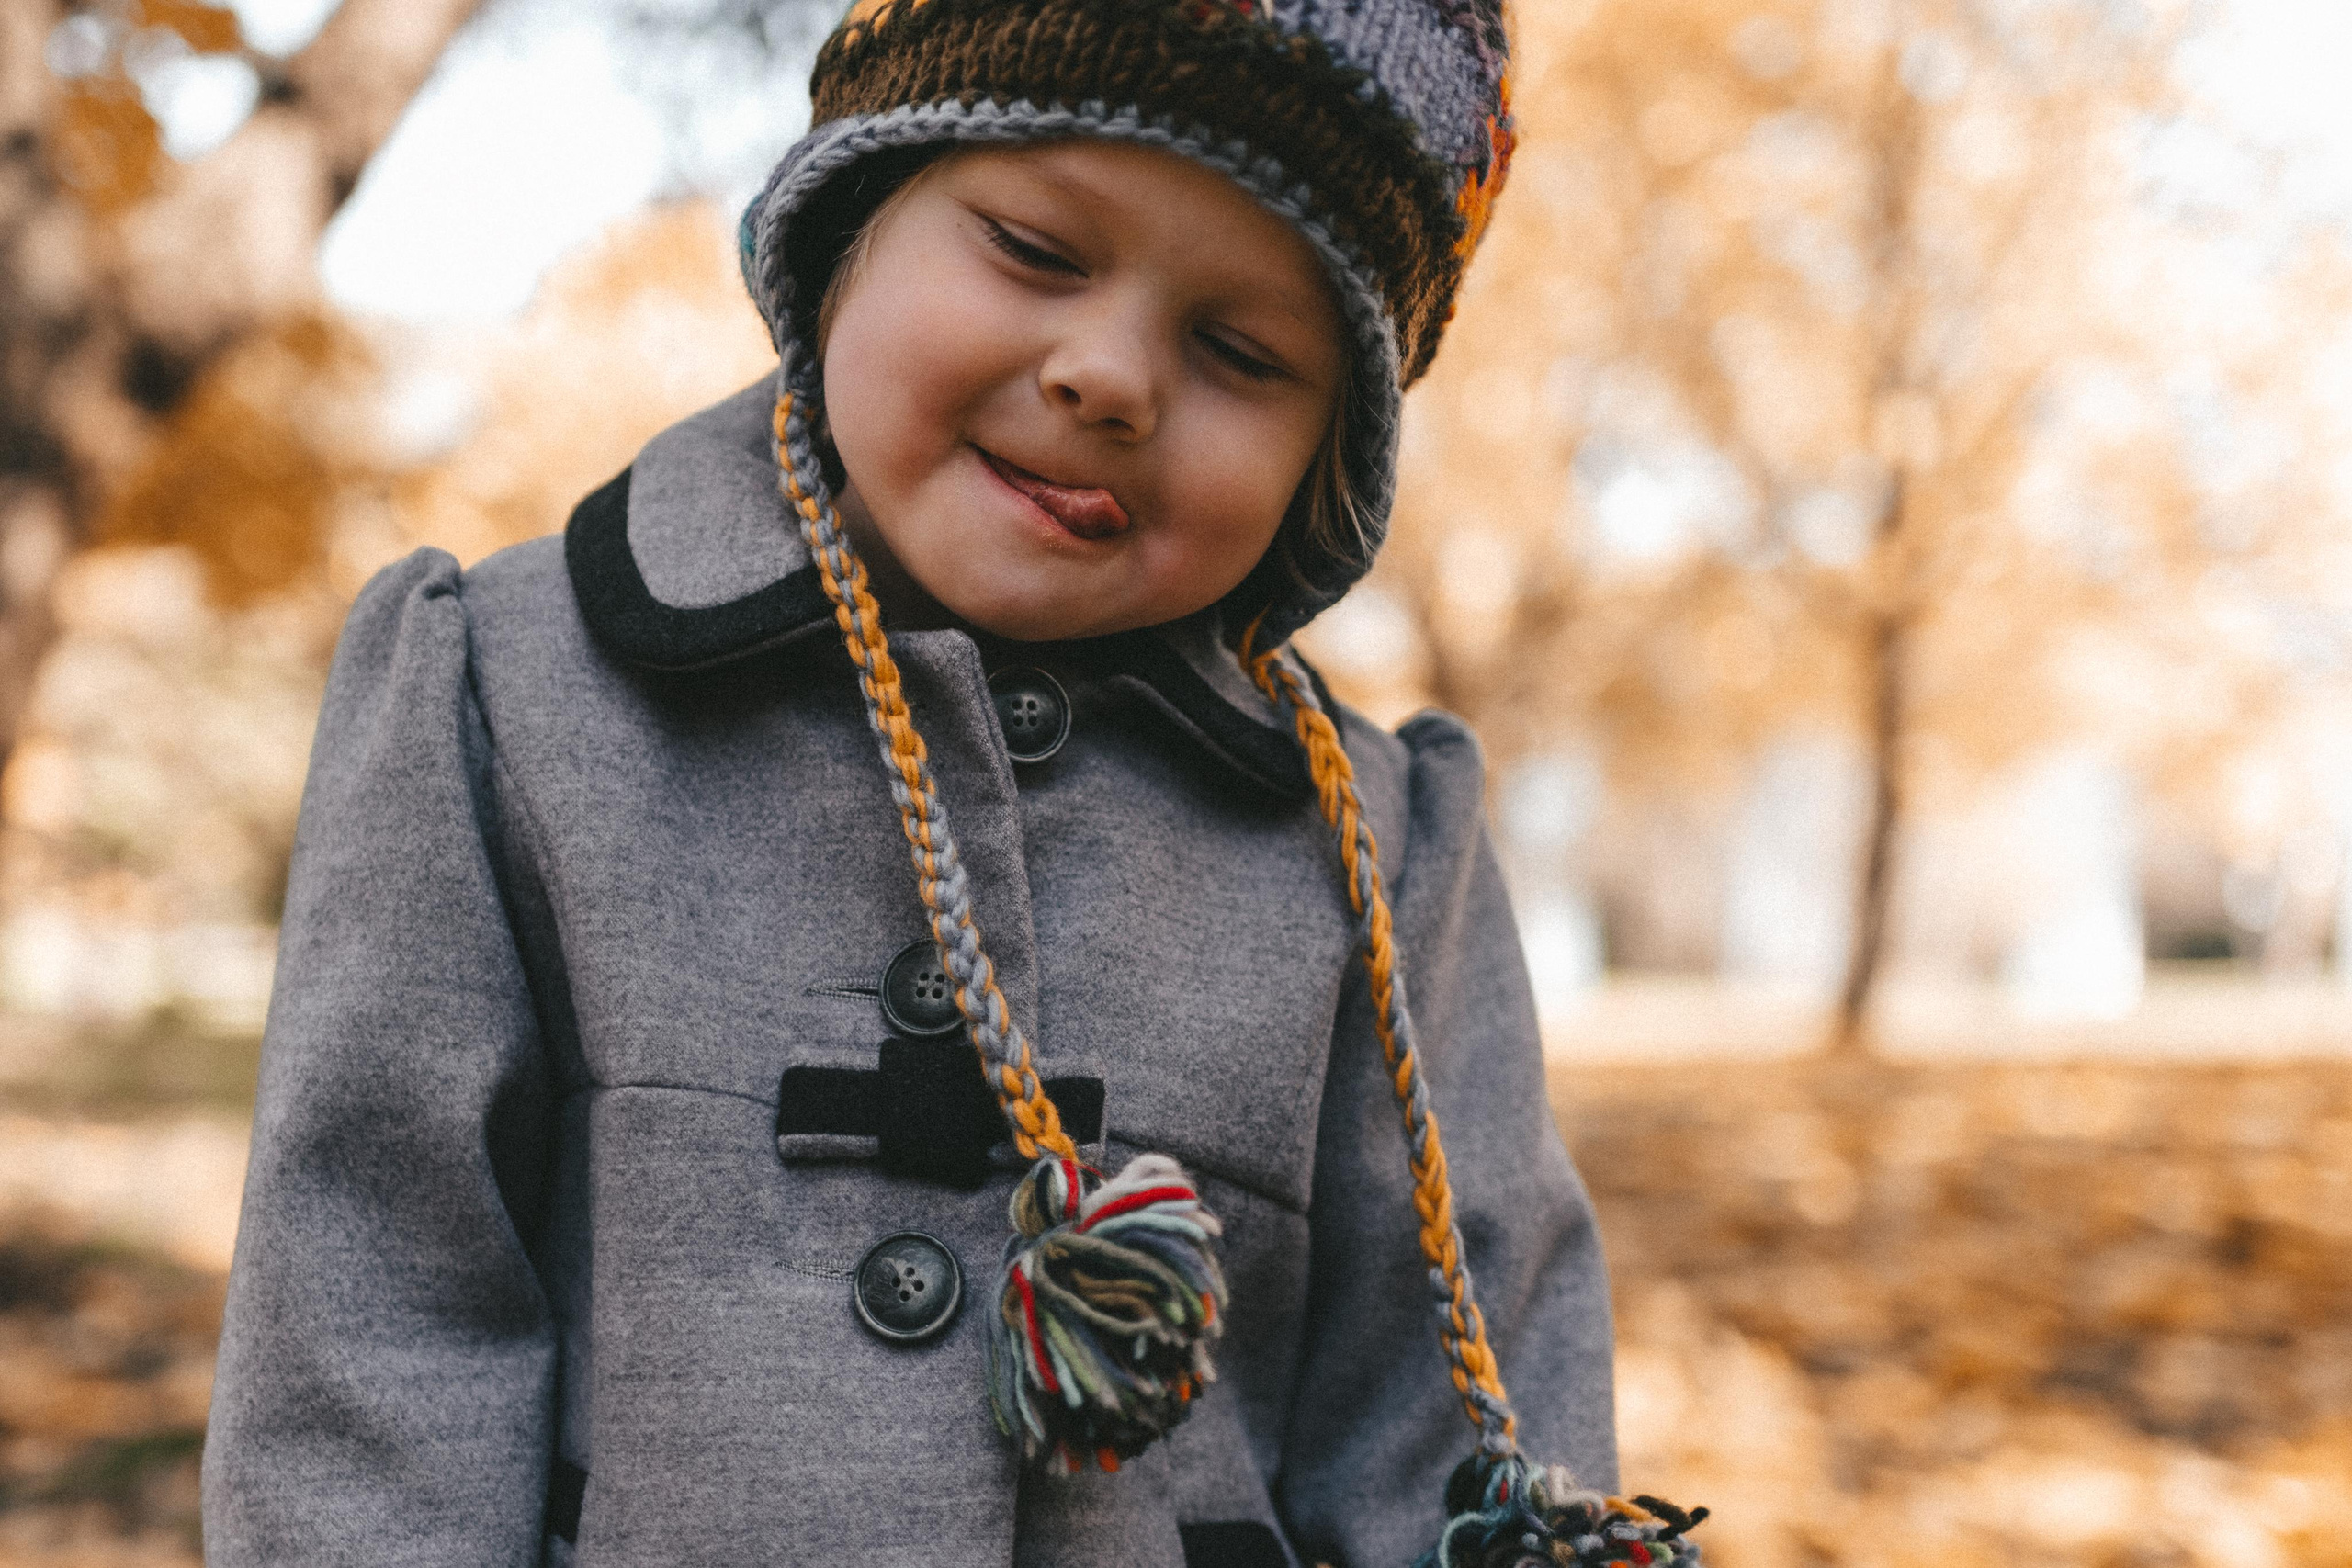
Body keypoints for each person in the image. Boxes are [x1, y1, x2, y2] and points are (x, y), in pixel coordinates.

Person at [201, 1, 1708, 1563]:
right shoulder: (509, 696)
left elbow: (1451, 1437)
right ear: (855, 216)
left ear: (1338, 450)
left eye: (1243, 351)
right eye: (1036, 250)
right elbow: (369, 1356)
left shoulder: (1375, 860)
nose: (1111, 375)